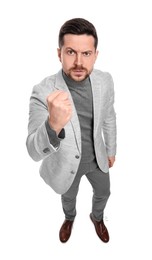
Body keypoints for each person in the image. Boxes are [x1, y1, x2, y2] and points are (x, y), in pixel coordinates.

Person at [26, 18, 117, 243]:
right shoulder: (43, 91)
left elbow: (109, 116)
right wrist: (52, 125)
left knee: (104, 193)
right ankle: (69, 218)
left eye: (86, 53)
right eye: (70, 52)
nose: (78, 61)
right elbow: (32, 151)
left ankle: (97, 218)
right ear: (59, 54)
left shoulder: (105, 81)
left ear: (95, 54)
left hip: (97, 158)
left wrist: (111, 149)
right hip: (65, 165)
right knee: (69, 197)